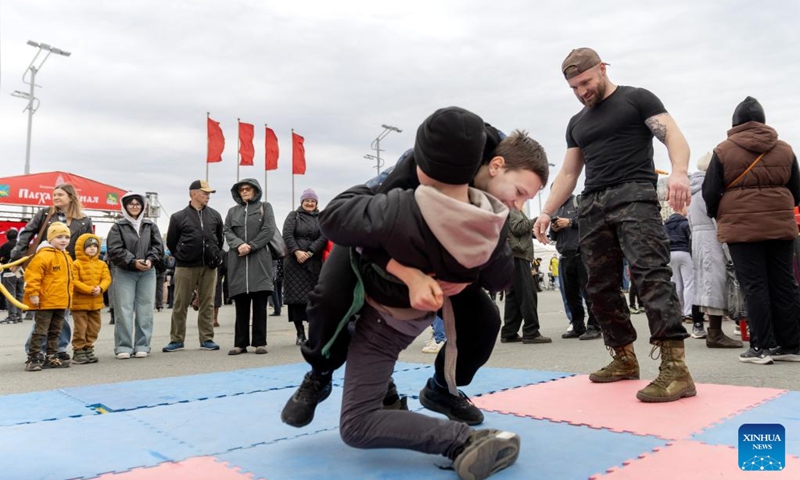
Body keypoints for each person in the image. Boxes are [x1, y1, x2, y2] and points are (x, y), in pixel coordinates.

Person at [282, 120, 549, 429]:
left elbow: (498, 274)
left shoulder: (498, 201)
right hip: (371, 235)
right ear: (496, 166)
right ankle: (320, 374)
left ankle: (441, 388)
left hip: (438, 256)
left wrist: (464, 278)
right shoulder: (429, 165)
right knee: (330, 299)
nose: (519, 205)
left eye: (526, 198)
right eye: (519, 192)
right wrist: (410, 276)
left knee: (485, 322)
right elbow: (362, 231)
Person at [318, 106, 521, 479]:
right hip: (414, 313)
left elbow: (333, 219)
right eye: (520, 193)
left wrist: (370, 189)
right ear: (488, 166)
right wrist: (460, 275)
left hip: (384, 322)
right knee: (484, 318)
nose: (517, 202)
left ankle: (459, 437)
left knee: (356, 422)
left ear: (421, 166)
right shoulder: (490, 220)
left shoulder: (399, 205)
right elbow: (501, 276)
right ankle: (403, 394)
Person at [534, 47, 696, 402]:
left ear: (603, 69)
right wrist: (547, 210)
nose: (581, 91)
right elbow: (568, 172)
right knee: (598, 285)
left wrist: (679, 172)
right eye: (574, 87)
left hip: (634, 196)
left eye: (586, 82)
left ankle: (676, 369)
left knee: (650, 275)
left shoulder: (637, 99)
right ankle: (623, 357)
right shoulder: (577, 123)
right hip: (592, 204)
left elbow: (672, 135)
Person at [703, 96, 800, 364]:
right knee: (785, 283)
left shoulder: (723, 151)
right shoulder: (785, 149)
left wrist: (718, 213)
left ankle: (761, 347)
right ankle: (791, 345)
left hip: (741, 227)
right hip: (780, 225)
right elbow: (796, 191)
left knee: (754, 285)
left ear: (735, 123)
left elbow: (709, 192)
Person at [12, 183, 93, 365]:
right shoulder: (45, 213)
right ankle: (35, 350)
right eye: (54, 194)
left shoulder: (84, 220)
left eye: (60, 195)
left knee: (61, 312)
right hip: (46, 265)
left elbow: (86, 244)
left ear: (71, 197)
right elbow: (27, 233)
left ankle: (57, 348)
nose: (56, 198)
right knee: (44, 312)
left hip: (67, 267)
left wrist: (85, 267)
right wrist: (16, 256)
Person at [688, 152, 742, 349]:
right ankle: (716, 333)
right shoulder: (708, 189)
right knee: (716, 284)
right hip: (712, 237)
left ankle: (713, 331)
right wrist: (729, 249)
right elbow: (718, 219)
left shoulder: (693, 190)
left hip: (699, 239)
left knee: (706, 284)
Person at [163, 180, 224, 353]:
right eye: (204, 193)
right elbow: (171, 242)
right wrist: (183, 255)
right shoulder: (178, 217)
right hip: (185, 266)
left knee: (207, 303)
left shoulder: (215, 215)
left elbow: (219, 239)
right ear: (193, 193)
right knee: (180, 303)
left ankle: (207, 338)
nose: (208, 196)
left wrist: (215, 254)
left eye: (209, 193)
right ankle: (176, 339)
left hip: (209, 266)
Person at [223, 178, 277, 355]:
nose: (244, 191)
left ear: (255, 191)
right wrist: (239, 245)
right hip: (238, 260)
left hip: (259, 260)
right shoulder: (232, 211)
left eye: (248, 189)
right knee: (241, 304)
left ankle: (260, 342)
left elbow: (269, 229)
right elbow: (227, 231)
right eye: (241, 189)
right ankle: (240, 343)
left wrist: (251, 246)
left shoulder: (265, 207)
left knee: (260, 303)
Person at [108, 192, 164, 359]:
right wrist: (132, 261)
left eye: (137, 203)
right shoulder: (117, 226)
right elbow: (115, 249)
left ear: (143, 206)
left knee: (145, 309)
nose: (134, 206)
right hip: (125, 272)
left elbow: (158, 246)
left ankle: (142, 345)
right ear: (125, 206)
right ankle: (123, 346)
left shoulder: (150, 225)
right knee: (123, 309)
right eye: (131, 203)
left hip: (147, 272)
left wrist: (150, 260)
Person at [22, 222, 74, 371]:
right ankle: (33, 357)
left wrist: (69, 298)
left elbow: (70, 280)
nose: (63, 240)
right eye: (59, 237)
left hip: (61, 301)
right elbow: (32, 277)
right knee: (40, 330)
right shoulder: (43, 256)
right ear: (50, 239)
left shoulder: (66, 257)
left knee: (56, 330)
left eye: (66, 237)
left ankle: (51, 356)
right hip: (45, 301)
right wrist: (33, 294)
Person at [549, 194, 601, 340]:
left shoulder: (578, 201)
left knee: (589, 293)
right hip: (565, 256)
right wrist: (555, 229)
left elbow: (592, 222)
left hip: (582, 254)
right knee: (571, 295)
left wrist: (570, 222)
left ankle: (594, 327)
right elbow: (552, 237)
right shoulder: (555, 209)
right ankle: (578, 326)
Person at [282, 188, 327, 345]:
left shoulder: (321, 217)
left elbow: (324, 236)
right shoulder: (293, 216)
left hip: (313, 262)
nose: (310, 203)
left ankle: (313, 332)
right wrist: (297, 251)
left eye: (313, 201)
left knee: (314, 299)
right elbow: (287, 234)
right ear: (302, 202)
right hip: (294, 263)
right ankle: (300, 333)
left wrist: (310, 251)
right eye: (307, 200)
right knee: (296, 300)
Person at [500, 208, 551, 344]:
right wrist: (537, 219)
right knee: (527, 294)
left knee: (514, 296)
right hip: (518, 255)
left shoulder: (504, 207)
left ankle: (509, 332)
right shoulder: (513, 208)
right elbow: (518, 227)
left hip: (511, 255)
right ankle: (531, 331)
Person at [70, 233, 111, 364]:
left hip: (96, 302)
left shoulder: (102, 264)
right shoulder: (75, 264)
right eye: (89, 246)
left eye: (95, 246)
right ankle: (78, 350)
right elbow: (74, 281)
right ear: (81, 248)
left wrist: (100, 288)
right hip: (79, 303)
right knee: (80, 328)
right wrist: (89, 289)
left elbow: (107, 278)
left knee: (94, 327)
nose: (92, 248)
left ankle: (89, 347)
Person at [664, 206, 694, 327]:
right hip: (684, 253)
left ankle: (679, 312)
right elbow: (690, 240)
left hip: (671, 254)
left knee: (676, 283)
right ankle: (689, 312)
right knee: (689, 282)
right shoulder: (685, 224)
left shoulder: (665, 225)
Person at [0, 228, 24, 324]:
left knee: (10, 294)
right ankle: (19, 315)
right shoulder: (21, 245)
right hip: (20, 271)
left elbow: (1, 259)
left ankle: (12, 316)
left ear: (6, 236)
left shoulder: (5, 246)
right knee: (20, 293)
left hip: (8, 272)